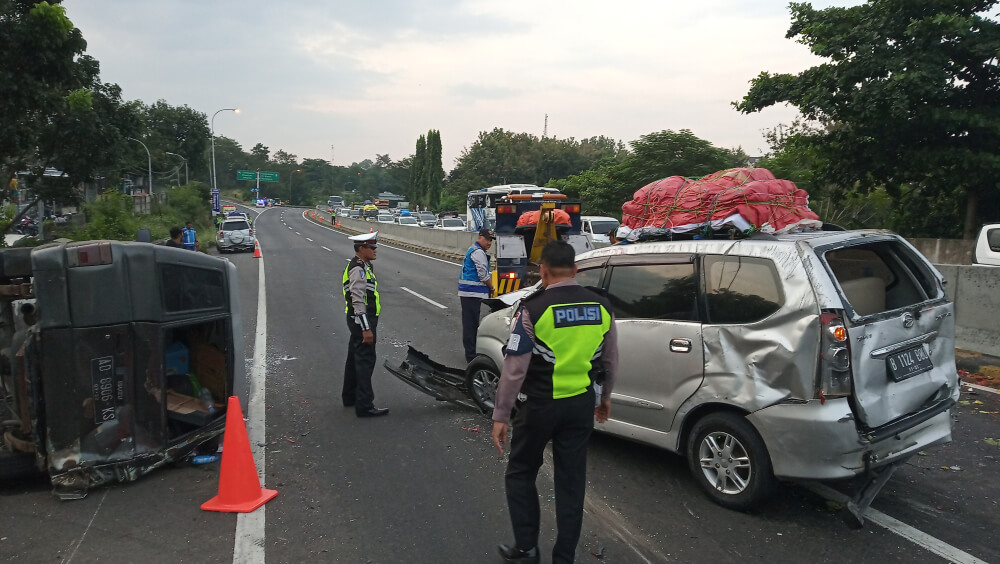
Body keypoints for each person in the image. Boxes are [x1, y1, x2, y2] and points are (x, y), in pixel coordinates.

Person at [491, 240, 618, 564]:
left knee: (521, 471)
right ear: (576, 270)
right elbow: (609, 361)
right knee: (571, 483)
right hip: (579, 405)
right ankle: (564, 558)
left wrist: (501, 414)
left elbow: (514, 367)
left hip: (539, 406)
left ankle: (526, 549)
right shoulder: (601, 305)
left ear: (543, 271)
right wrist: (604, 400)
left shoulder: (533, 308)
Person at [342, 232, 389, 418]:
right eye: (372, 247)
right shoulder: (358, 269)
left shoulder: (363, 266)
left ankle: (350, 397)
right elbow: (357, 299)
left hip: (357, 319)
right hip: (362, 319)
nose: (375, 250)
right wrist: (366, 328)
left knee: (354, 359)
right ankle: (364, 404)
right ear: (361, 249)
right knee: (365, 361)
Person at [458, 228, 496, 362]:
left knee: (472, 324)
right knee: (471, 325)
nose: (489, 243)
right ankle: (471, 355)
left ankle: (472, 352)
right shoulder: (478, 252)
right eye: (487, 239)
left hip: (470, 292)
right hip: (471, 293)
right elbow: (482, 274)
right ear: (480, 237)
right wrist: (491, 287)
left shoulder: (474, 250)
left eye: (491, 240)